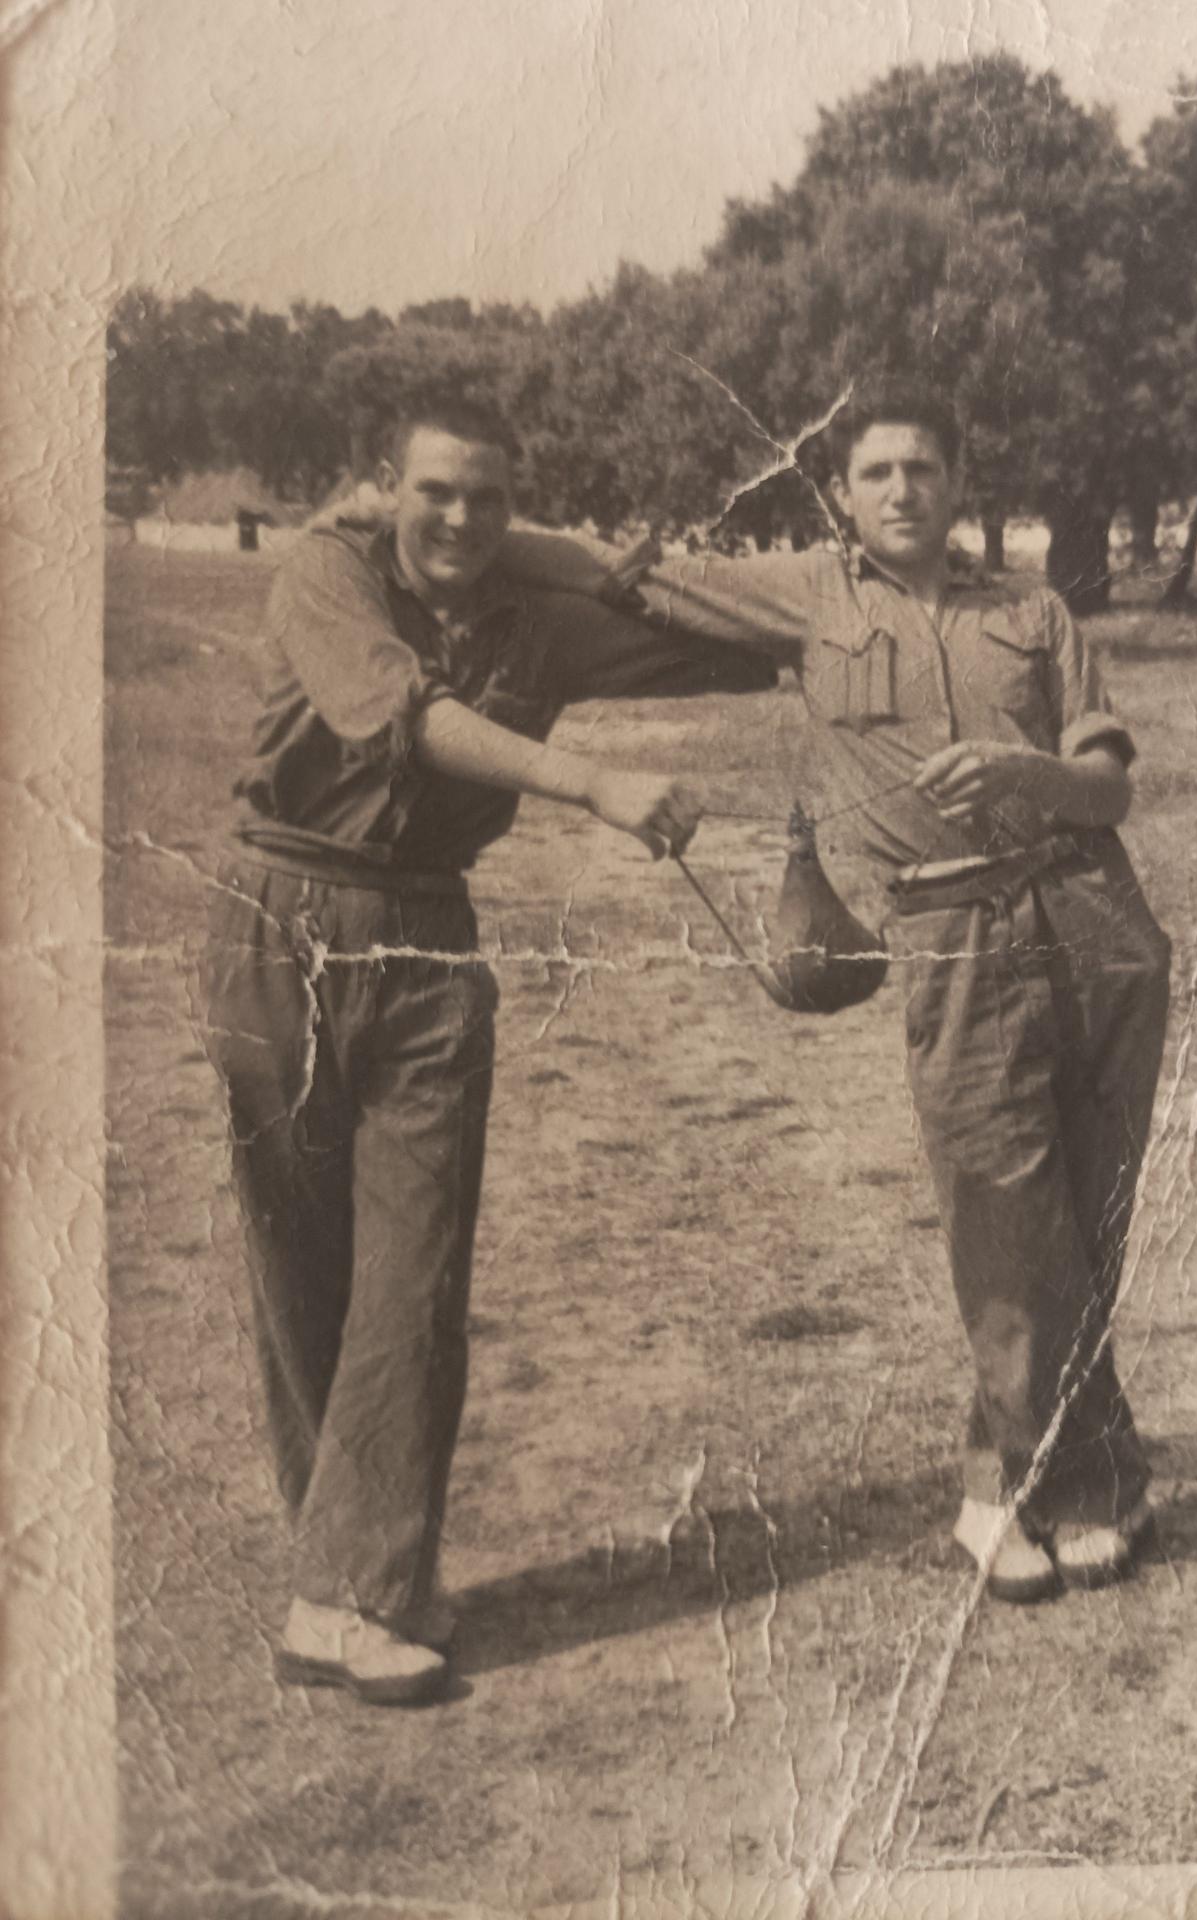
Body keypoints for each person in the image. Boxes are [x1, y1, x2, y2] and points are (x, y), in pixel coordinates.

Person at [199, 396, 775, 1705]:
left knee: (415, 1273)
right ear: (378, 492)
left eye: (489, 500)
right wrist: (595, 785)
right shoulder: (323, 571)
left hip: (424, 942)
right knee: (304, 1268)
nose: (458, 520)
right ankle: (337, 1577)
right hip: (274, 918)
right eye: (435, 493)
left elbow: (701, 626)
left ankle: (361, 1596)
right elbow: (396, 716)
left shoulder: (537, 612)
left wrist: (850, 626)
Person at [598, 382, 1172, 1603]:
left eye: (922, 466)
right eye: (875, 473)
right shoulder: (807, 599)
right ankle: (1024, 1485)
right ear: (842, 496)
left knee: (1087, 1211)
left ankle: (1053, 1482)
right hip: (953, 928)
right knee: (1003, 1216)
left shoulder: (1032, 608)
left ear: (958, 481)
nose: (901, 489)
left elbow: (1109, 787)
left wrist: (1030, 768)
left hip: (1090, 911)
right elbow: (632, 572)